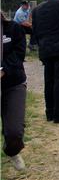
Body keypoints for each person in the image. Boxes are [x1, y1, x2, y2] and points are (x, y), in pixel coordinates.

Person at [1, 12, 27, 170]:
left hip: (13, 84)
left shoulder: (13, 29)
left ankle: (12, 151)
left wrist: (4, 70)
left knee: (14, 132)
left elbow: (18, 54)